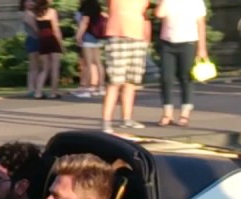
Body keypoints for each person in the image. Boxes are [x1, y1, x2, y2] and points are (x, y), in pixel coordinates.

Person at [154, 0, 208, 126]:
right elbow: (159, 14)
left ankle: (185, 113)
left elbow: (201, 24)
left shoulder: (196, 2)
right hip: (167, 43)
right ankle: (167, 113)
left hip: (188, 43)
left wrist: (202, 48)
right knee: (166, 78)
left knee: (186, 78)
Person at [101, 0, 151, 130]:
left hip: (138, 38)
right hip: (118, 37)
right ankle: (106, 121)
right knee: (115, 82)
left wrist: (146, 39)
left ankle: (127, 119)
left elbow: (145, 16)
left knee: (131, 81)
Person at [72, 0, 106, 98]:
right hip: (97, 36)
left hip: (87, 36)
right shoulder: (96, 6)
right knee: (98, 62)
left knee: (87, 63)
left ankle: (85, 89)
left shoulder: (86, 7)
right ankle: (101, 87)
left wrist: (78, 36)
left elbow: (84, 22)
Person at [32, 0, 66, 98]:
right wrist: (61, 44)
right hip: (52, 39)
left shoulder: (36, 13)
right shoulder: (51, 11)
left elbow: (37, 30)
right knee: (55, 67)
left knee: (44, 68)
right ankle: (53, 92)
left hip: (42, 40)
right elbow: (55, 29)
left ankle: (38, 92)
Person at [21, 0, 42, 96]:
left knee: (36, 66)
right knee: (34, 66)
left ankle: (34, 87)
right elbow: (35, 29)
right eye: (28, 1)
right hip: (33, 39)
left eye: (32, 1)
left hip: (33, 39)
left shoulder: (32, 13)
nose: (30, 3)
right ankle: (31, 88)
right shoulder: (28, 14)